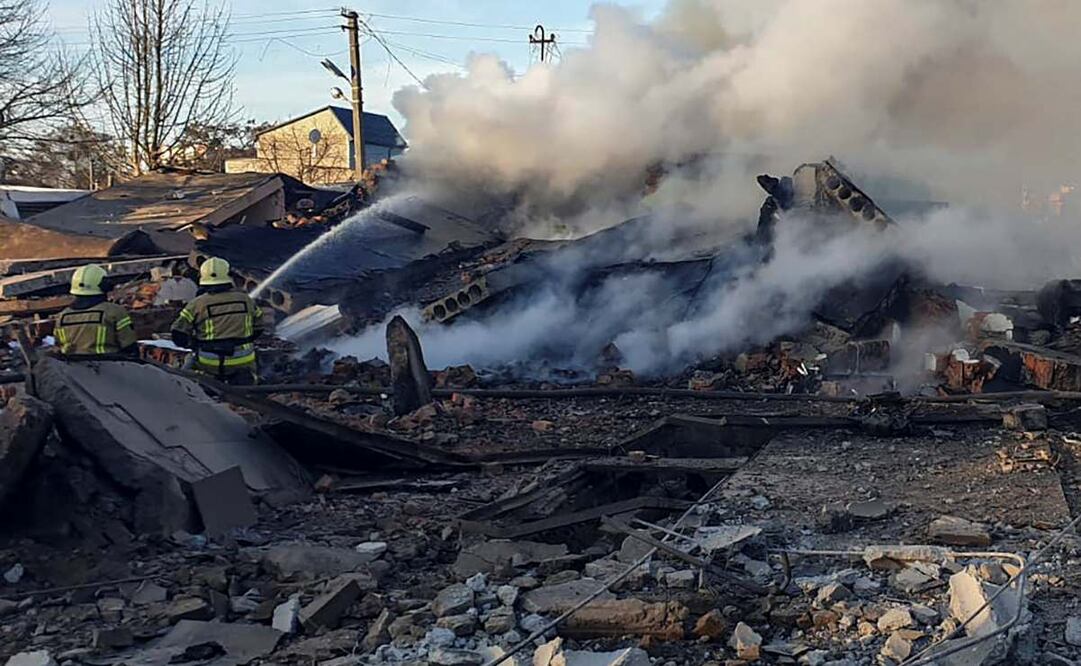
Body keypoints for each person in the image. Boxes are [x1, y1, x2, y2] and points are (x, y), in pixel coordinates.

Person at [170, 257, 263, 385]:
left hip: (209, 360)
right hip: (243, 359)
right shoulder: (246, 300)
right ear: (228, 276)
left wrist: (194, 344)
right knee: (253, 367)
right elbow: (259, 327)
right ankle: (251, 382)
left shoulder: (197, 304)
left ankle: (186, 385)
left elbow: (177, 333)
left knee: (189, 365)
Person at [54, 264, 138, 358]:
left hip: (71, 366)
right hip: (110, 364)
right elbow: (130, 347)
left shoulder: (62, 317)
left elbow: (58, 347)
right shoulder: (114, 312)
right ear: (103, 285)